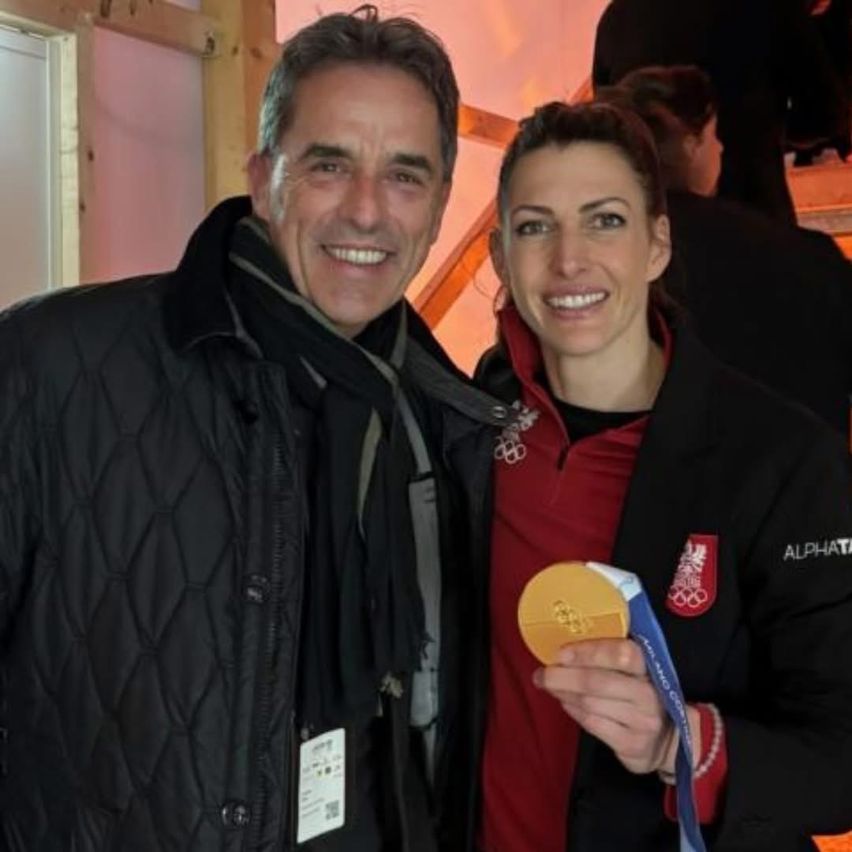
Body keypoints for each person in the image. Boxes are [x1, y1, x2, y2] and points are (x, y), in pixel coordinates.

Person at [0, 7, 507, 850]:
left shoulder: (450, 429)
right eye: (329, 165)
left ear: (441, 203)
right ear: (264, 172)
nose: (367, 211)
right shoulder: (53, 368)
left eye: (406, 175)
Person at [475, 100, 852, 851]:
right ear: (498, 256)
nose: (569, 258)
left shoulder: (781, 459)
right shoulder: (467, 426)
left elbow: (840, 757)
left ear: (656, 245)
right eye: (534, 225)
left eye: (605, 220)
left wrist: (680, 744)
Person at [599, 64, 852, 439]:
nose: (721, 147)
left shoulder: (585, 266)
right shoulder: (803, 254)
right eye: (714, 135)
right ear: (691, 145)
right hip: (800, 479)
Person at [592, 0, 845, 224]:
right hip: (756, 214)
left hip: (654, 229)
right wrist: (764, 133)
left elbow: (606, 127)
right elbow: (827, 115)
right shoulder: (772, 7)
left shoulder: (617, 17)